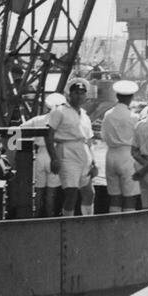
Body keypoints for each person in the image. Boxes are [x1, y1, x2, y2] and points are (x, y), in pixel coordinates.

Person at [45, 78, 97, 216]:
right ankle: (68, 223)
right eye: (76, 93)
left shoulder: (85, 116)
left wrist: (94, 162)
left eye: (82, 93)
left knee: (89, 193)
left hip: (84, 154)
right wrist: (54, 158)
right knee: (71, 193)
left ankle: (88, 221)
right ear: (70, 94)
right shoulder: (60, 111)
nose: (79, 96)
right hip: (67, 153)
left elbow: (89, 140)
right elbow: (49, 135)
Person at [100, 79, 140, 213]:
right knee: (129, 196)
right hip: (127, 155)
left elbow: (103, 136)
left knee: (114, 196)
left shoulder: (108, 115)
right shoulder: (134, 117)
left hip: (111, 155)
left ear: (117, 96)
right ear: (131, 97)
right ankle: (128, 230)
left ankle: (114, 226)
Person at [24, 93, 66, 216]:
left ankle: (35, 216)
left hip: (39, 156)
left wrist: (15, 152)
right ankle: (50, 217)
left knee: (38, 191)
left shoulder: (37, 120)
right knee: (51, 193)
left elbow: (18, 130)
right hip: (54, 156)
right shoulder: (62, 121)